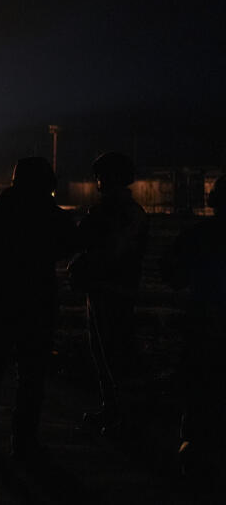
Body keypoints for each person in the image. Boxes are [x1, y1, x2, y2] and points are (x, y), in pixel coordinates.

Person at [0, 157, 77, 459]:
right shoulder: (53, 217)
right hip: (38, 305)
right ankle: (23, 441)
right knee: (32, 376)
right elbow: (70, 245)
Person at [69, 152, 148, 437]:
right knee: (104, 354)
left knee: (115, 355)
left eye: (101, 176)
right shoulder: (121, 211)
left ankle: (126, 418)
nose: (97, 182)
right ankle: (114, 410)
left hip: (112, 292)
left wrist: (83, 265)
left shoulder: (118, 212)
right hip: (107, 290)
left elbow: (104, 249)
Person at [162, 176, 226, 480]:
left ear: (213, 201)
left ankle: (196, 454)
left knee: (200, 390)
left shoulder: (197, 237)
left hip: (204, 324)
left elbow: (175, 278)